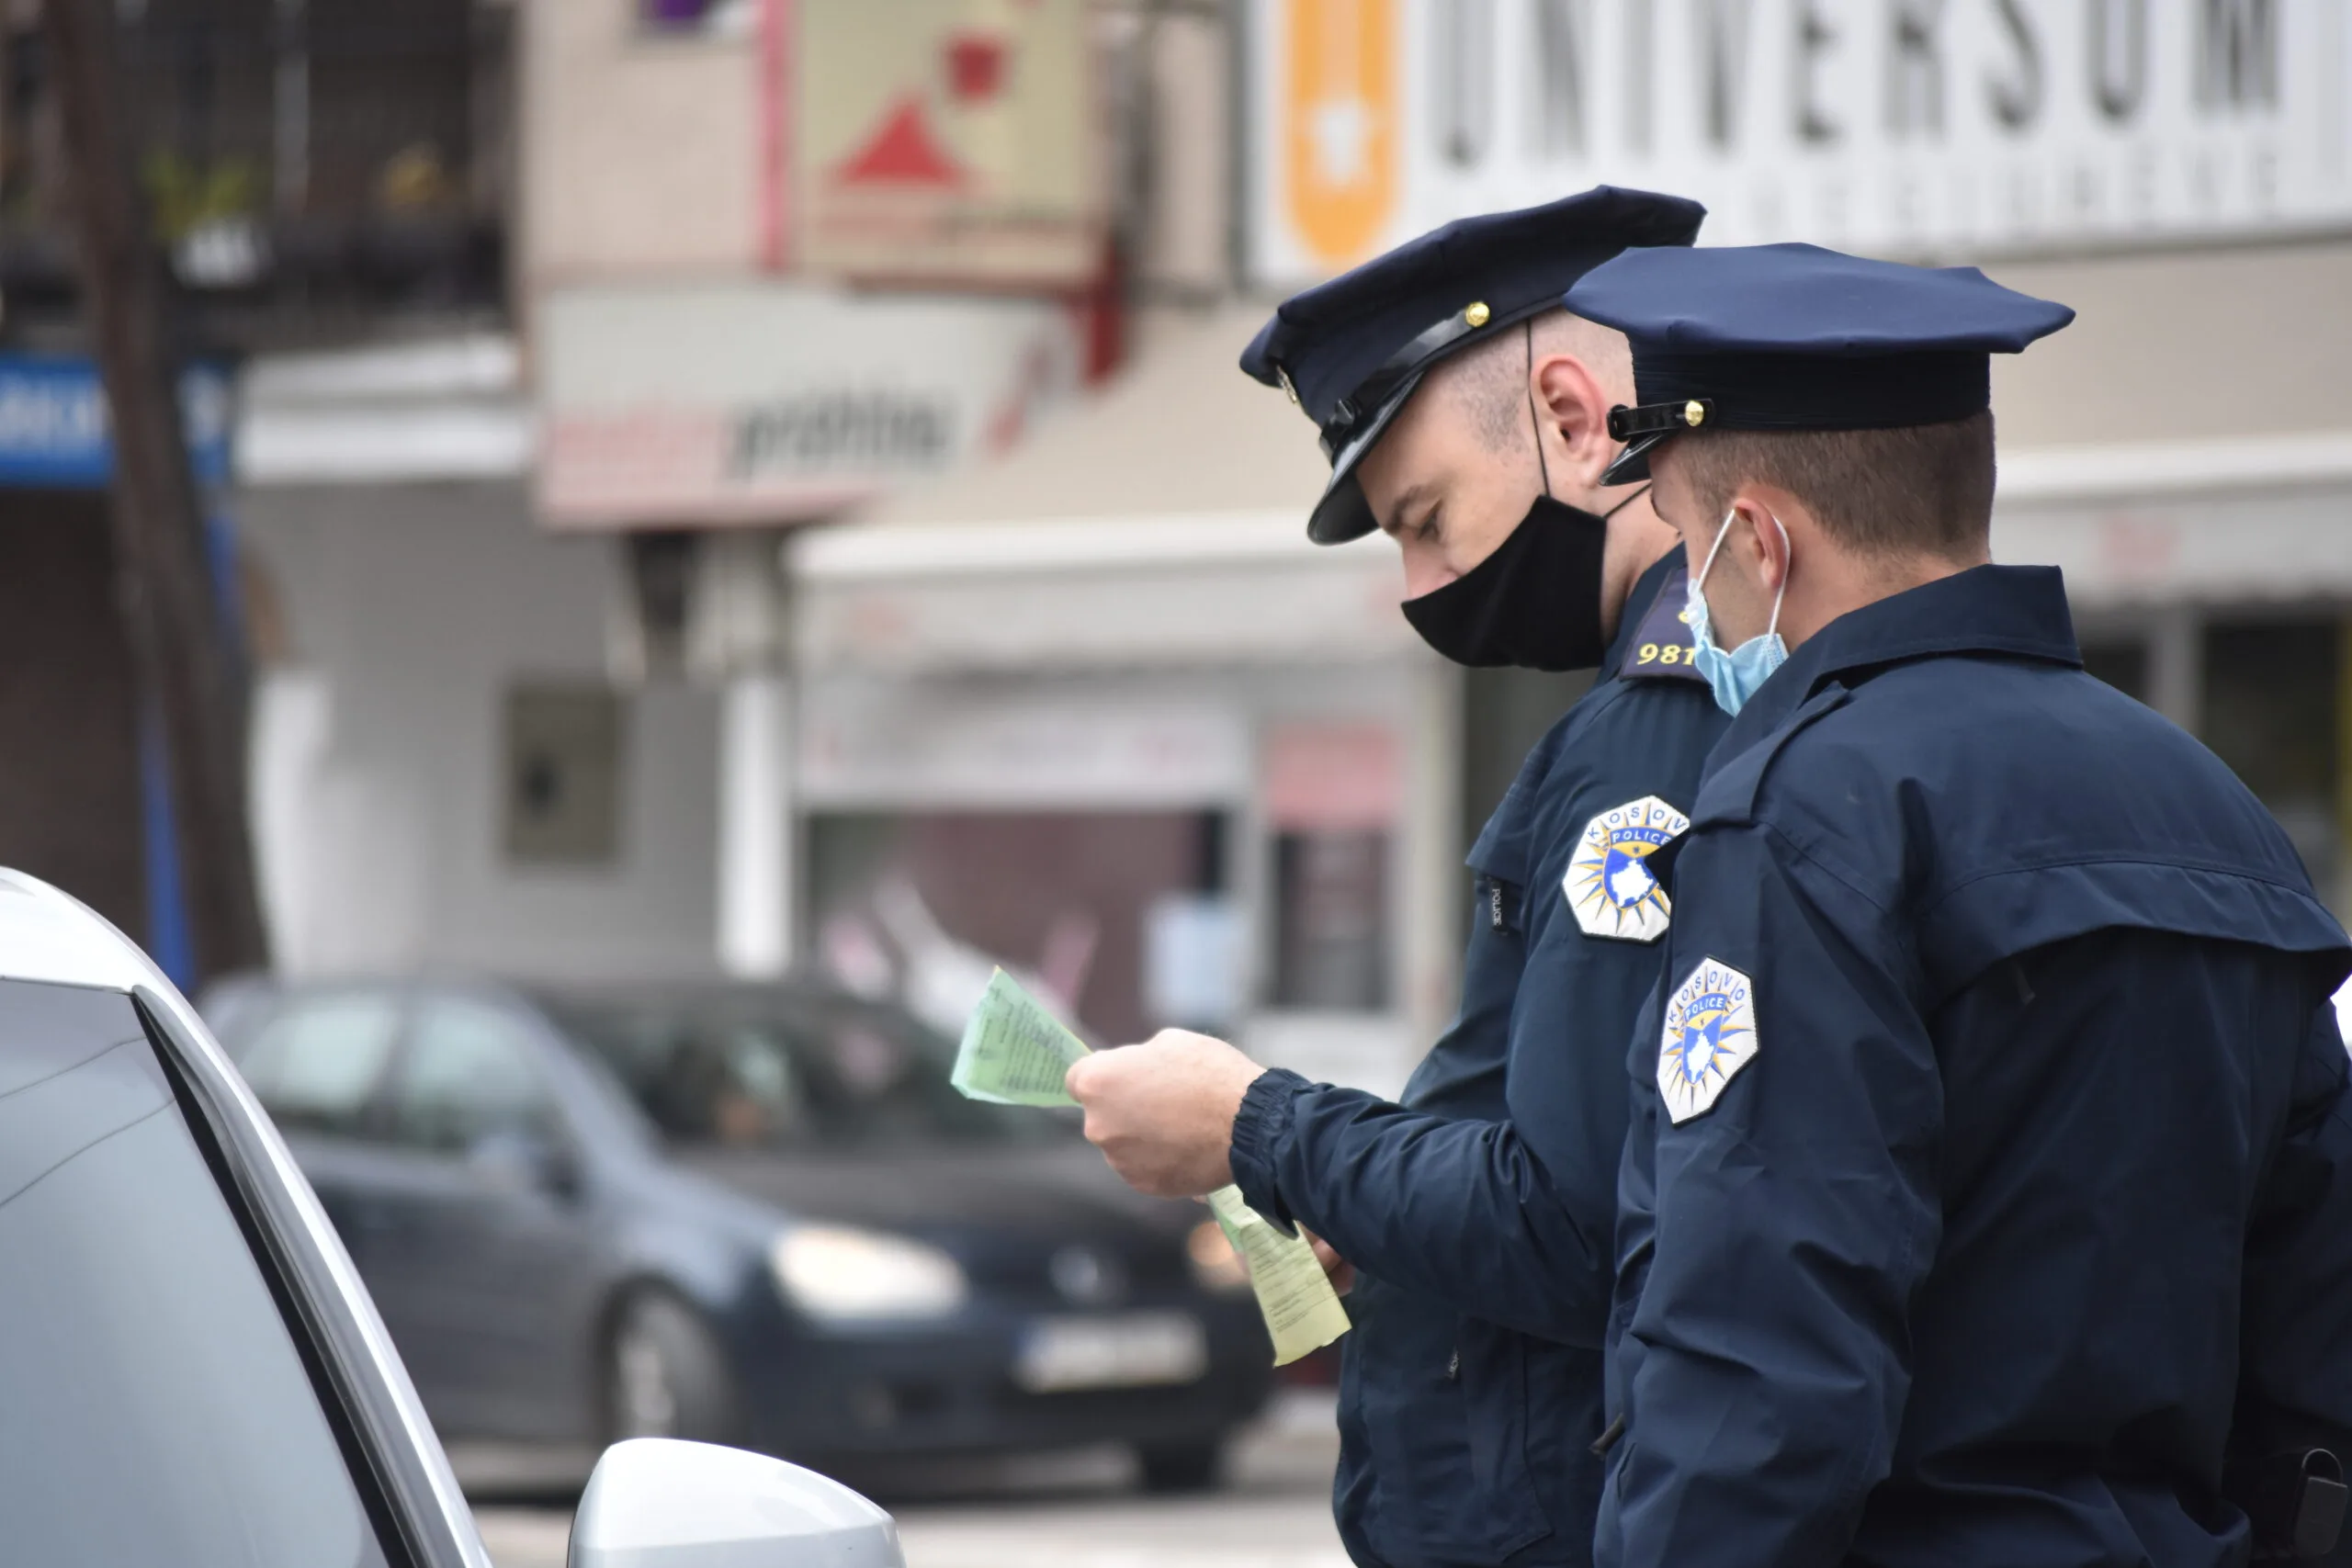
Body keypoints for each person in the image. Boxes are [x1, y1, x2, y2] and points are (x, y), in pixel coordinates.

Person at [1554, 241, 2352, 1568]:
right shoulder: (2214, 808)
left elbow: (1756, 1353)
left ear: (1760, 539)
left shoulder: (1800, 815)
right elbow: (2317, 1332)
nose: (1691, 607)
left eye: (1690, 550)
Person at [1063, 186, 1728, 1568]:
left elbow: (1571, 1224)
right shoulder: (1681, 695)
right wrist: (1371, 1198)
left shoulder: (1654, 731)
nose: (1422, 586)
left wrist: (1257, 1125)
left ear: (1573, 417)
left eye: (1426, 517)